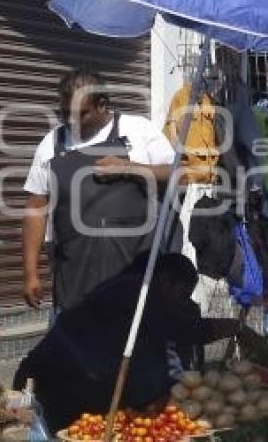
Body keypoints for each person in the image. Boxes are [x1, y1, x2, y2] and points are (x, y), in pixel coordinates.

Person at [13, 254, 259, 433]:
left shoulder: (126, 286)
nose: (182, 302)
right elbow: (191, 330)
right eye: (182, 294)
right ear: (167, 280)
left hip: (54, 371)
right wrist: (236, 327)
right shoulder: (142, 292)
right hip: (71, 378)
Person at [22, 68, 176, 312]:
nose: (69, 121)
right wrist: (30, 272)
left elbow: (177, 175)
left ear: (102, 105)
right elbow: (36, 207)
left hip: (137, 275)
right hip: (75, 278)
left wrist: (129, 167)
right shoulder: (51, 144)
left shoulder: (138, 130)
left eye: (79, 115)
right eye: (62, 113)